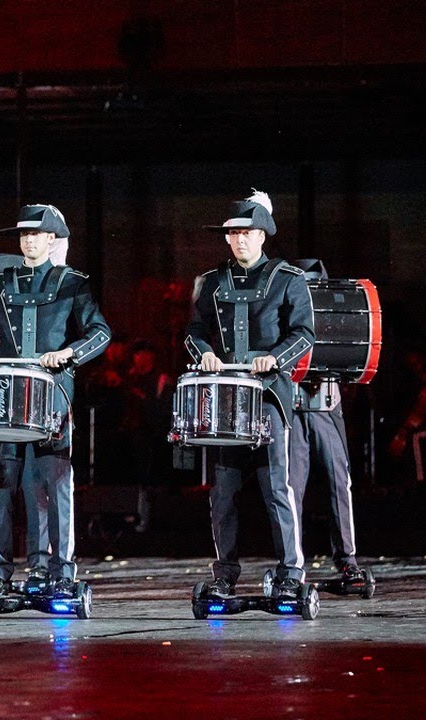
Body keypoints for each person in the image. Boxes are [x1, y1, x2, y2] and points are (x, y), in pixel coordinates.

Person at [0, 203, 111, 599]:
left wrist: (69, 354)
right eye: (23, 235)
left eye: (35, 234)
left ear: (51, 240)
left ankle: (56, 571)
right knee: (1, 485)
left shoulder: (72, 283)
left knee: (50, 486)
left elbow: (100, 333)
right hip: (7, 400)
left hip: (53, 400)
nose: (27, 240)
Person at [185, 190, 314, 600]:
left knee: (277, 487)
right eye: (234, 233)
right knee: (223, 492)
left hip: (271, 398)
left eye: (248, 232)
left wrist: (274, 359)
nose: (240, 239)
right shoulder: (212, 281)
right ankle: (224, 573)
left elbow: (304, 333)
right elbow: (194, 331)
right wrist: (204, 352)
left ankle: (291, 571)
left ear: (263, 235)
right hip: (225, 401)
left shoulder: (288, 279)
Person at [288, 259, 365, 582]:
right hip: (291, 404)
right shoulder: (285, 305)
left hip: (326, 403)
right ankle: (292, 564)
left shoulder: (332, 310)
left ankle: (346, 558)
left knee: (338, 480)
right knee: (291, 486)